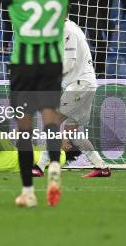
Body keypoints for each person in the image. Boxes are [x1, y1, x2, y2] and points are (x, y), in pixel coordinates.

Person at [0, 0, 103, 208]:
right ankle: (53, 170)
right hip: (51, 64)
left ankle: (28, 191)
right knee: (52, 123)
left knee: (25, 128)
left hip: (24, 64)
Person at [33, 19, 110, 178]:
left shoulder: (67, 29)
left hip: (80, 85)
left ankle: (39, 167)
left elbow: (68, 63)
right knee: (72, 132)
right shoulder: (68, 27)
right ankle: (102, 167)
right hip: (84, 84)